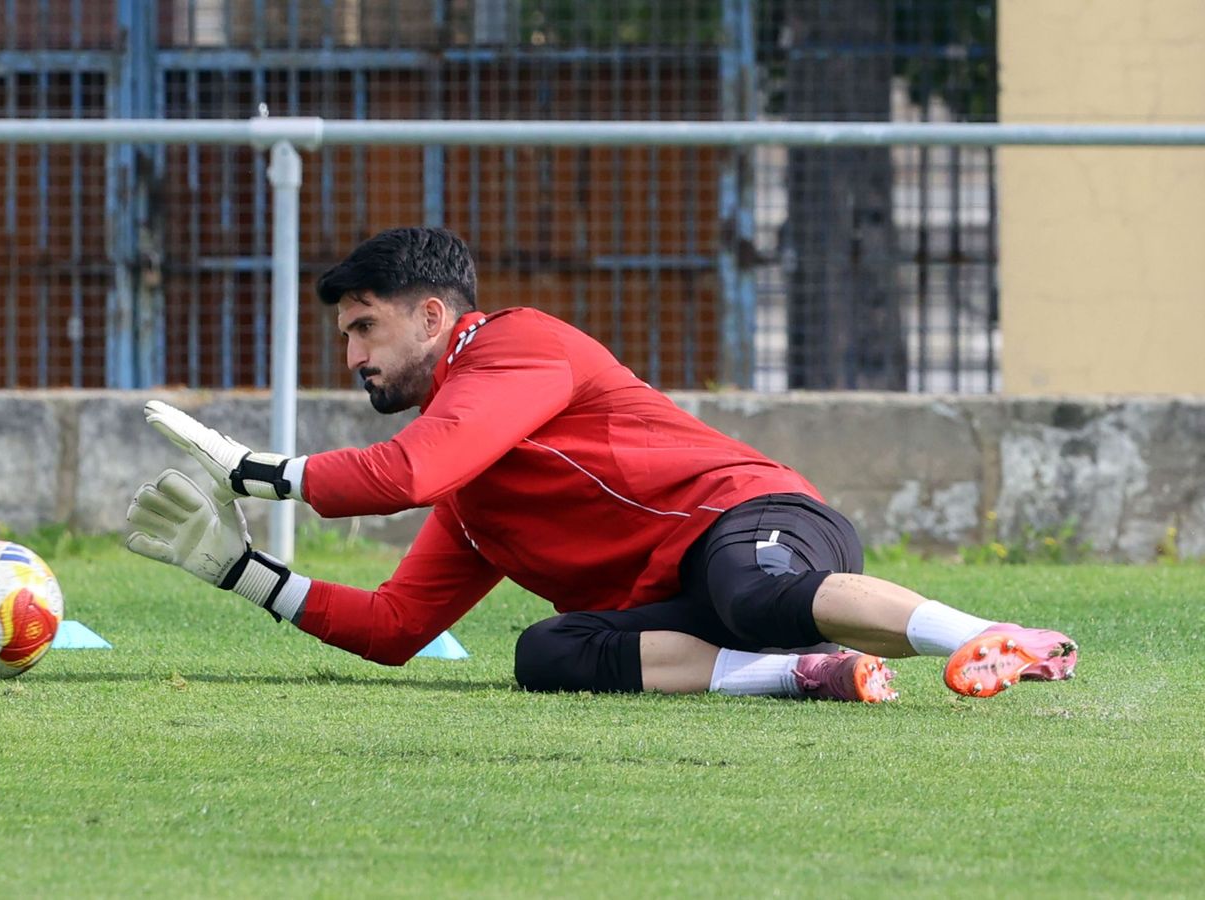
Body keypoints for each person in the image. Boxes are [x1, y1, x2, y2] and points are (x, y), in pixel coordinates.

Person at [124, 226, 1078, 702]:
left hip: (759, 521)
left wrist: (251, 470)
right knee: (546, 655)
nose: (353, 357)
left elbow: (405, 472)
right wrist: (242, 573)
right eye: (343, 337)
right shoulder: (471, 491)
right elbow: (395, 628)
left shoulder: (513, 342)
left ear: (433, 317)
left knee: (747, 587)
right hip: (695, 598)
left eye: (364, 327)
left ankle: (992, 633)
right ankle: (808, 676)